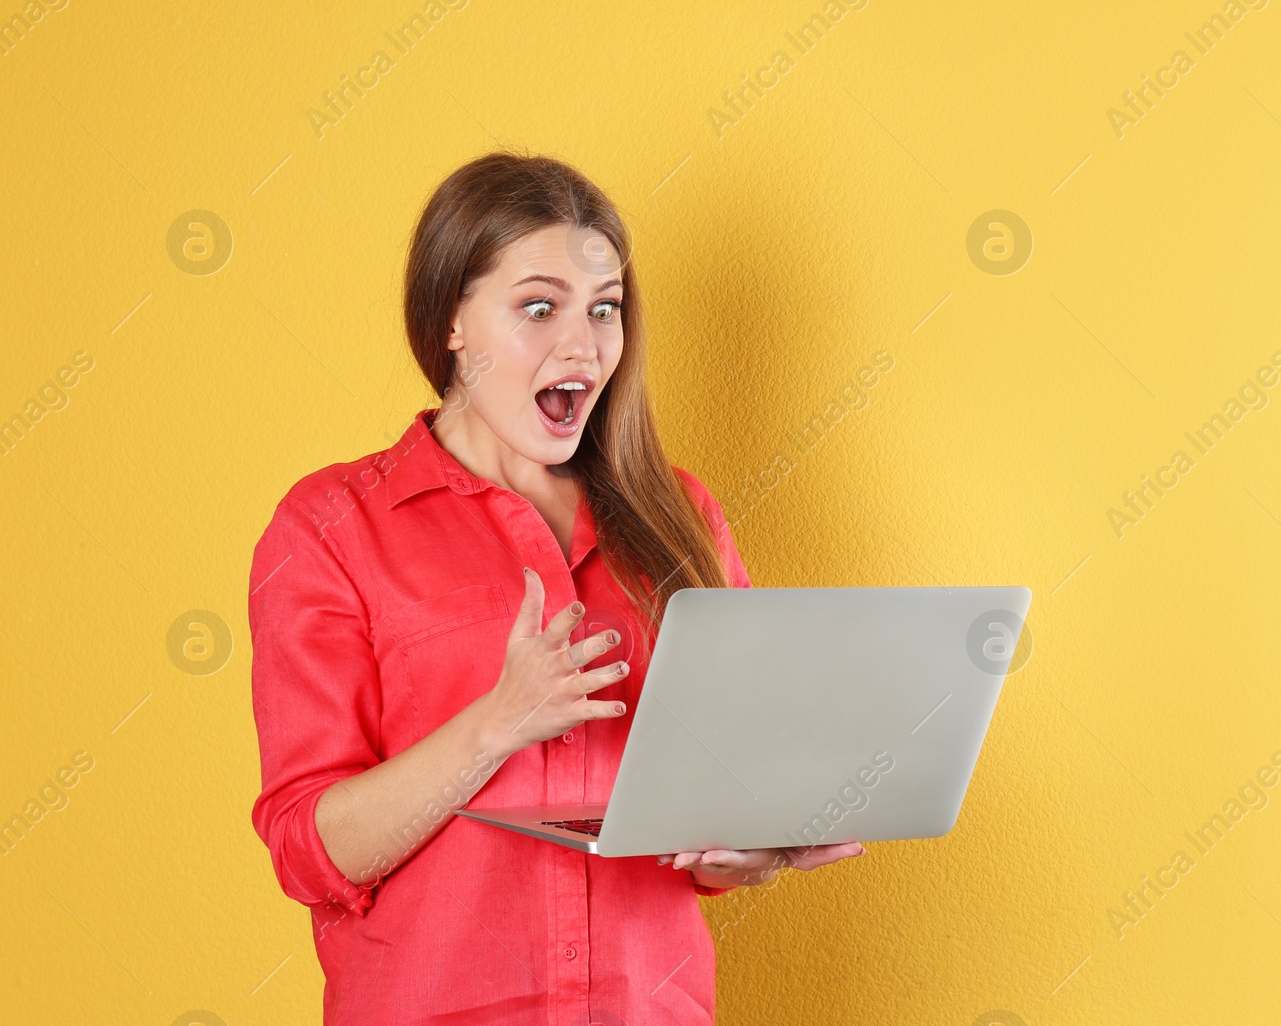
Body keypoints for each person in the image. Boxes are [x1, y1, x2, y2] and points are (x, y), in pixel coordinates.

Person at [247, 152, 863, 1025]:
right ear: (453, 319)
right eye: (539, 306)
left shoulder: (678, 515)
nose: (583, 344)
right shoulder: (331, 526)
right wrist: (496, 722)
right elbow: (310, 853)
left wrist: (754, 840)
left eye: (603, 309)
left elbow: (716, 819)